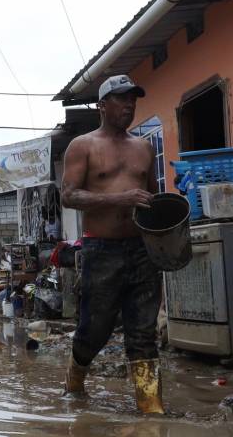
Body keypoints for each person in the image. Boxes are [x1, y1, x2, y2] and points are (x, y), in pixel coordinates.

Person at [60, 74, 164, 414]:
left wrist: (168, 233)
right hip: (101, 250)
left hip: (142, 250)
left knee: (143, 330)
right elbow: (69, 196)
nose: (129, 105)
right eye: (121, 99)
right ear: (102, 106)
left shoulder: (145, 147)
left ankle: (150, 406)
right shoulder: (83, 145)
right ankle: (74, 381)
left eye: (133, 98)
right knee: (95, 328)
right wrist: (120, 198)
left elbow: (153, 199)